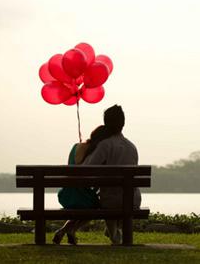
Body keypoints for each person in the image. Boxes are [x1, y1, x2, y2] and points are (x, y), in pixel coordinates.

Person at [83, 105, 142, 245]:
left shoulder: (105, 145)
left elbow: (86, 169)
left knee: (107, 196)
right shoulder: (131, 147)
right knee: (115, 195)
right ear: (123, 123)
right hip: (133, 201)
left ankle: (114, 234)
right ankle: (113, 230)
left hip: (111, 202)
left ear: (105, 123)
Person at [52, 125, 110, 245]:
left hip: (66, 196)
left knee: (84, 206)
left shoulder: (76, 146)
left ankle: (63, 231)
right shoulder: (95, 153)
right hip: (81, 197)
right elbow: (92, 181)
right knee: (95, 206)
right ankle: (70, 230)